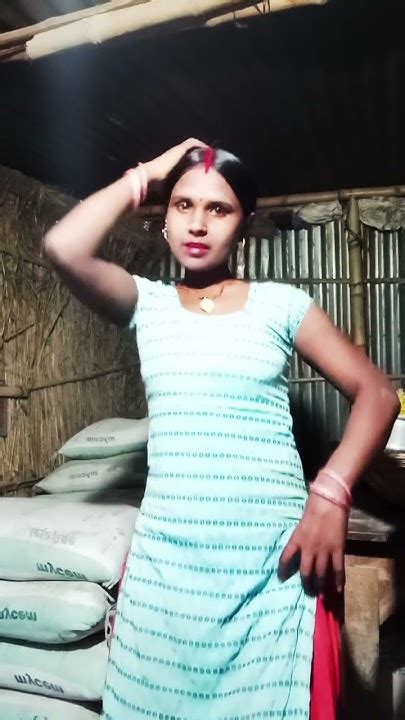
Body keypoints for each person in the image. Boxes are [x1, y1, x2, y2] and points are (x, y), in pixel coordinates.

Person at [43, 138, 399, 719]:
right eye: (183, 205)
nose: (198, 224)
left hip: (269, 574)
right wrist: (149, 173)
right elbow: (62, 246)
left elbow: (377, 394)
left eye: (219, 209)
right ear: (164, 217)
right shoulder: (147, 305)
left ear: (245, 223)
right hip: (167, 577)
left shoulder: (281, 306)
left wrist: (331, 492)